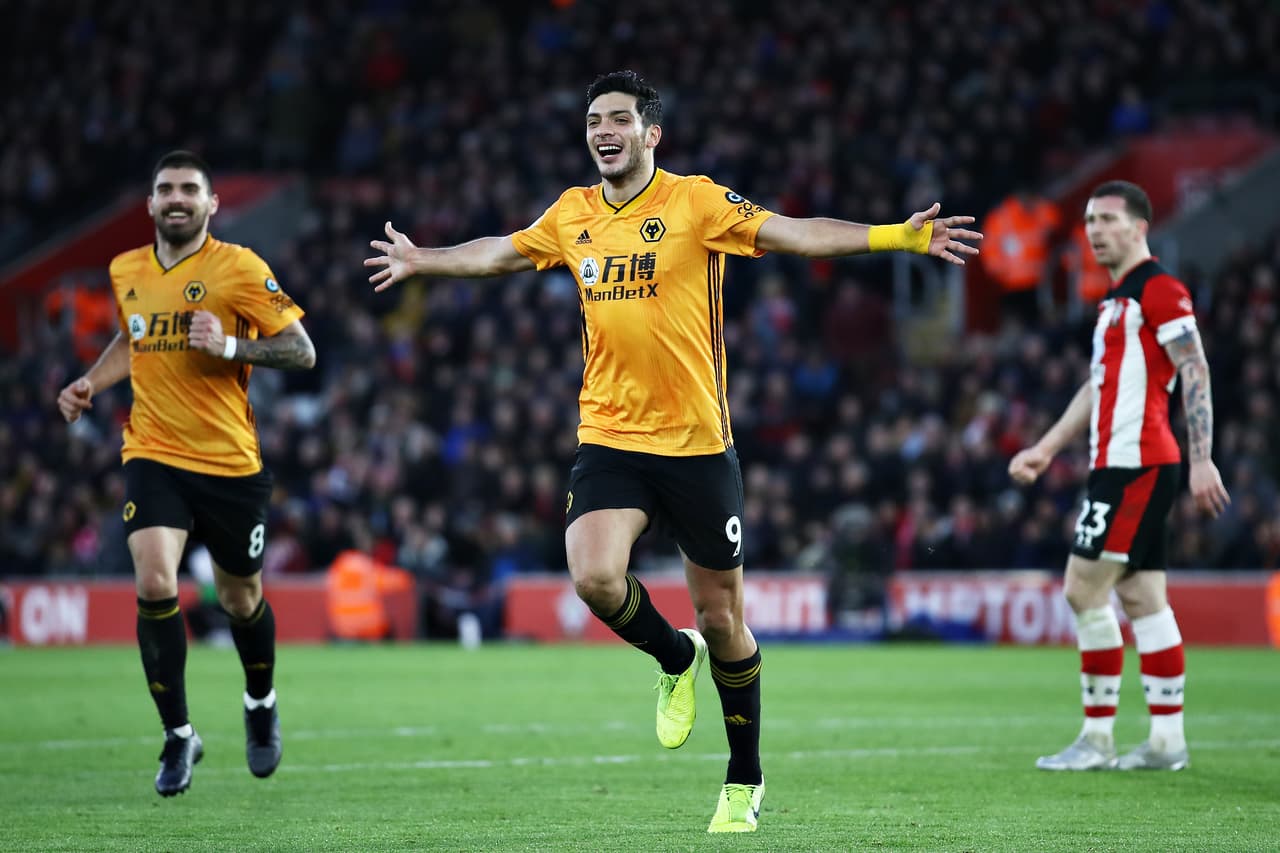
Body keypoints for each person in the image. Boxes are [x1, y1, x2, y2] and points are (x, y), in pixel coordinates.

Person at [364, 70, 981, 832]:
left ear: (651, 133)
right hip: (610, 436)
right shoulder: (572, 213)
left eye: (618, 118)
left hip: (696, 444)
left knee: (723, 618)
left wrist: (896, 235)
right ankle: (671, 657)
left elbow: (793, 230)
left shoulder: (697, 203)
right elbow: (502, 253)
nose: (603, 130)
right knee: (593, 576)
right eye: (594, 119)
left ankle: (743, 776)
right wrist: (425, 258)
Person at [56, 150, 316, 796]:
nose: (177, 198)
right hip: (154, 451)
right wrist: (92, 378)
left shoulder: (240, 268)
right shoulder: (127, 269)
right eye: (166, 189)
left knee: (240, 599)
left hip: (230, 462)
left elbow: (301, 350)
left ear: (211, 203)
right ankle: (178, 735)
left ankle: (260, 701)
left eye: (189, 190)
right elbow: (133, 336)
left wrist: (228, 344)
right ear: (149, 204)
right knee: (152, 579)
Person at [1008, 180, 1230, 772]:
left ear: (1139, 226)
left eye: (1107, 219)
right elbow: (1097, 386)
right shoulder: (1113, 303)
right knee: (1142, 596)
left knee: (1082, 590)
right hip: (1124, 464)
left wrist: (1204, 456)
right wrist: (1048, 447)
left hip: (1135, 466)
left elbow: (1195, 367)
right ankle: (1166, 743)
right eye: (1088, 221)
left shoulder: (1159, 290)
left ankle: (1098, 739)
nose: (1095, 231)